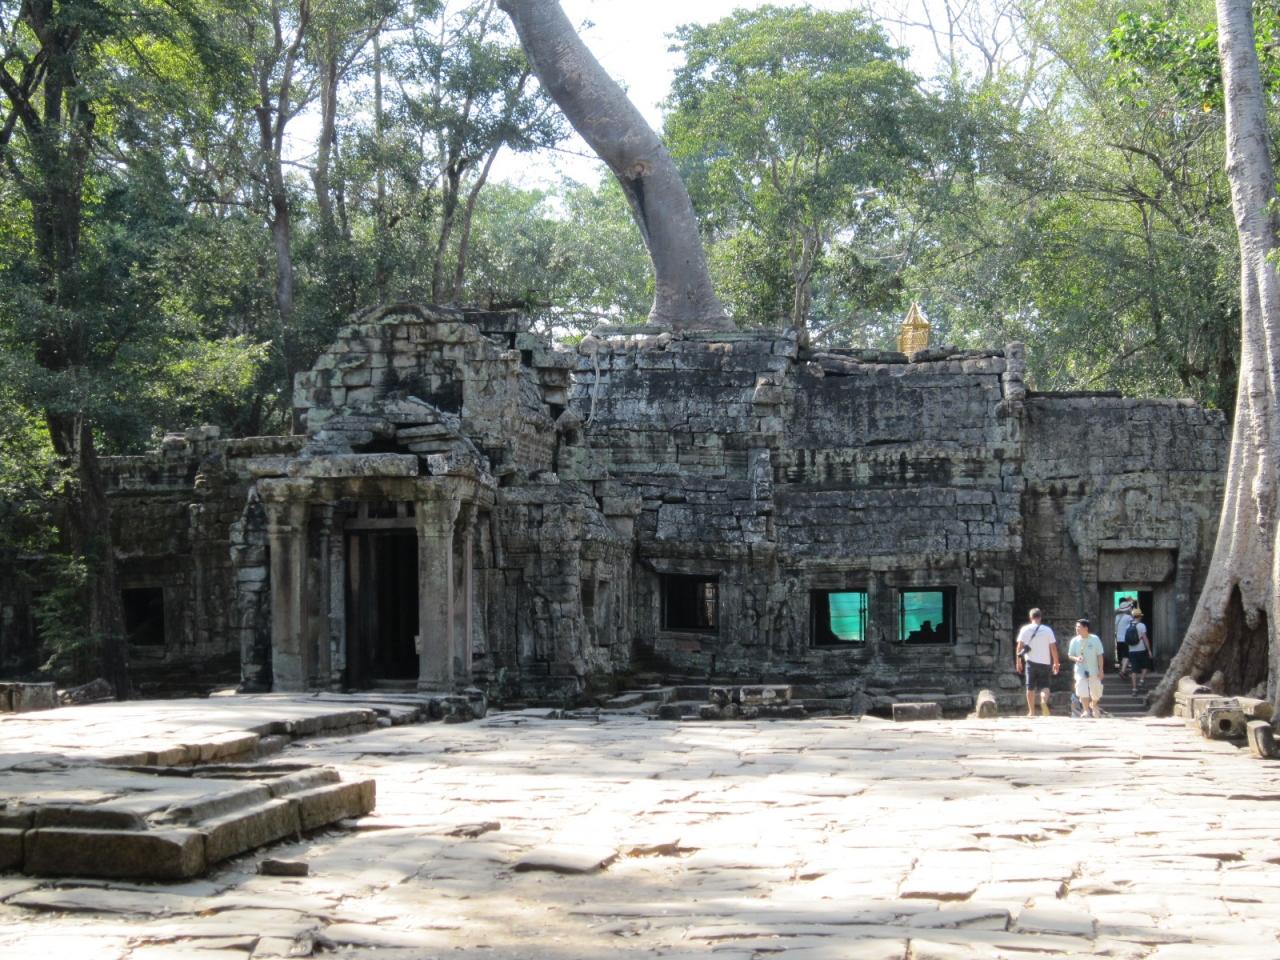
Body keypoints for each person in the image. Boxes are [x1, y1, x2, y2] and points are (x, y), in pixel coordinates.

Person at [1015, 608, 1060, 717]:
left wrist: (1018, 662)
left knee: (1030, 687)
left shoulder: (1025, 629)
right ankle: (1043, 701)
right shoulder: (1047, 630)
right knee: (1045, 686)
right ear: (1040, 617)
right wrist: (1056, 662)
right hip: (1045, 662)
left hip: (1030, 662)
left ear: (1030, 617)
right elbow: (1053, 647)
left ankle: (1031, 711)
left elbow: (1019, 647)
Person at [1068, 618, 1106, 718]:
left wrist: (1101, 670)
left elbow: (1100, 655)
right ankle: (1086, 710)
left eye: (1079, 627)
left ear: (1086, 628)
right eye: (1076, 627)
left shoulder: (1095, 639)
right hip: (1080, 669)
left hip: (1093, 669)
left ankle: (1094, 704)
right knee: (1081, 688)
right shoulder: (1074, 641)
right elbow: (1070, 655)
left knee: (1096, 690)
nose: (1077, 629)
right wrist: (1076, 658)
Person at [1126, 609, 1153, 693]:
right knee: (1146, 666)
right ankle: (1141, 681)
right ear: (1139, 616)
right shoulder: (1142, 625)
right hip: (1141, 649)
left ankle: (1134, 689)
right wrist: (1149, 650)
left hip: (1131, 650)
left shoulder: (1128, 626)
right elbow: (1145, 638)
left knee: (1133, 670)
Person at [1114, 597, 1135, 678]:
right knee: (1127, 655)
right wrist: (1131, 611)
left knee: (1122, 655)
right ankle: (1123, 671)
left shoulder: (1117, 617)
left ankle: (1124, 670)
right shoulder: (1128, 617)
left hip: (1118, 639)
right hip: (1125, 639)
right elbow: (1134, 622)